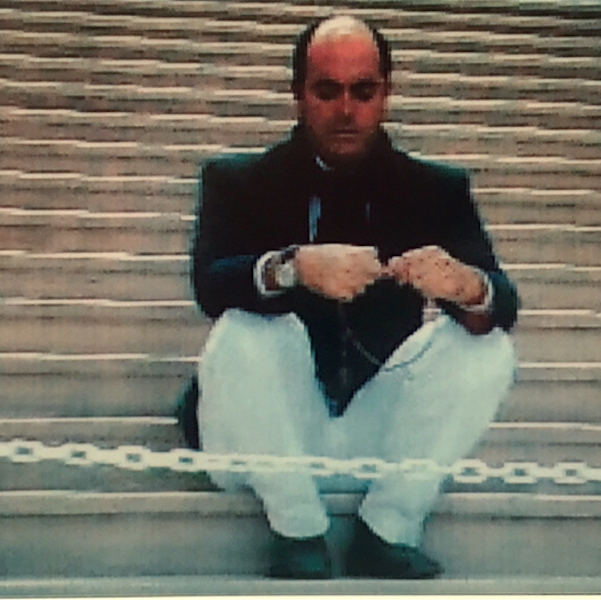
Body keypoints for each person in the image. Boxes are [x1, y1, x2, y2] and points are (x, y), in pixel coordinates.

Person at [183, 15, 519, 579]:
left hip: (373, 430)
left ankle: (389, 528)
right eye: (327, 90)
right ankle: (296, 528)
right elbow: (210, 285)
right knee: (246, 328)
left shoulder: (436, 189)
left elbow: (502, 302)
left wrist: (467, 286)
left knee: (488, 348)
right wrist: (291, 268)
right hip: (262, 434)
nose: (346, 110)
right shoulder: (237, 181)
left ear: (385, 93)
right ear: (298, 93)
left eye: (363, 91)